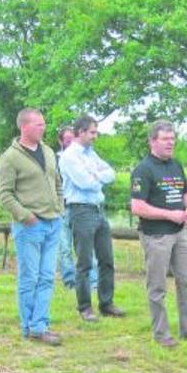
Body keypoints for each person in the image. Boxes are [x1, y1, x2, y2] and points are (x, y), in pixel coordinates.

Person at [130, 120, 187, 348]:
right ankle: (161, 334)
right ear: (152, 142)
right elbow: (137, 207)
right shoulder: (143, 170)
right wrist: (169, 215)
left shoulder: (176, 165)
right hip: (156, 236)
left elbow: (185, 193)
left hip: (180, 234)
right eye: (166, 139)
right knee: (157, 287)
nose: (171, 143)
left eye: (173, 139)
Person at [0, 108, 63, 345]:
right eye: (38, 125)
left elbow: (57, 182)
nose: (43, 128)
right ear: (24, 127)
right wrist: (25, 215)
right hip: (30, 226)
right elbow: (3, 194)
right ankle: (30, 325)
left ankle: (39, 324)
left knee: (47, 276)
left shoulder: (48, 151)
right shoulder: (10, 158)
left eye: (44, 124)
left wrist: (59, 208)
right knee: (29, 277)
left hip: (53, 222)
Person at [59, 115, 125, 322]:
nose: (95, 136)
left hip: (98, 209)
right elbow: (85, 182)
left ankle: (106, 303)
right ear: (81, 132)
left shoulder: (91, 154)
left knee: (106, 260)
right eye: (93, 132)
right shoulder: (69, 156)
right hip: (80, 211)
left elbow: (111, 173)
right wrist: (97, 176)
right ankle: (85, 307)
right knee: (85, 262)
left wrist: (96, 175)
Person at [56, 126, 98, 290]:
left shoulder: (86, 157)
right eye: (67, 140)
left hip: (81, 207)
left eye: (72, 139)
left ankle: (93, 281)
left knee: (87, 246)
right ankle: (70, 281)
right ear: (61, 142)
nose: (70, 143)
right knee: (64, 247)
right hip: (62, 207)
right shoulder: (57, 159)